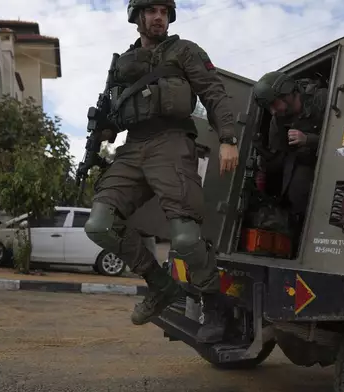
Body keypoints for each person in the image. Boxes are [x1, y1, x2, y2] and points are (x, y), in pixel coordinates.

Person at [84, 0, 239, 344]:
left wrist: (228, 137)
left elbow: (214, 93)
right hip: (133, 146)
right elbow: (113, 113)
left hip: (171, 141)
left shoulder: (184, 51)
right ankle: (161, 285)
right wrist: (103, 130)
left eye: (164, 12)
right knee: (99, 225)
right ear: (137, 16)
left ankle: (214, 303)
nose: (158, 17)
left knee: (184, 238)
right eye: (151, 11)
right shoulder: (122, 64)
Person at [251, 71, 328, 254]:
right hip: (305, 165)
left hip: (337, 161)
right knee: (295, 193)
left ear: (287, 93)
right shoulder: (278, 121)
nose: (273, 111)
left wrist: (309, 140)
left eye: (273, 104)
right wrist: (262, 157)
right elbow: (279, 157)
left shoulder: (322, 99)